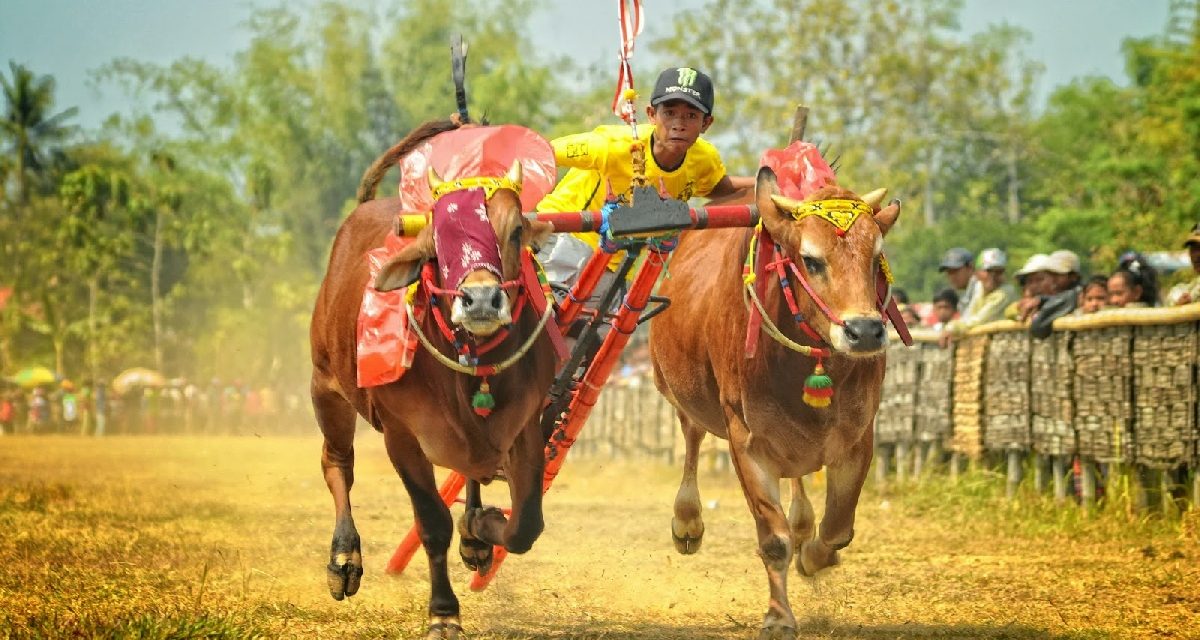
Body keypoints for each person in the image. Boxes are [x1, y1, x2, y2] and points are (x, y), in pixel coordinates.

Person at [537, 67, 753, 297]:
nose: (678, 124)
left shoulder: (703, 160)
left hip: (616, 262)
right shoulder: (611, 145)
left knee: (594, 332)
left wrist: (773, 180)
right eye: (669, 113)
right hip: (564, 237)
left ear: (706, 123)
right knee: (545, 324)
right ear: (651, 114)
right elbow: (540, 152)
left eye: (691, 116)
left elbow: (720, 188)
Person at [939, 248, 1015, 347]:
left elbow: (979, 320)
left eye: (998, 272)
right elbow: (969, 316)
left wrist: (952, 327)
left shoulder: (1005, 293)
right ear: (978, 272)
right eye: (988, 271)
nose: (993, 277)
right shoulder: (979, 288)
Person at [1028, 250, 1084, 339]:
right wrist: (1041, 301)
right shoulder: (1066, 296)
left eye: (1057, 275)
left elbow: (1037, 328)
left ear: (1073, 277)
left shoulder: (1072, 296)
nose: (1052, 280)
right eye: (1050, 275)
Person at [937, 247, 978, 315]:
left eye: (955, 271)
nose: (952, 276)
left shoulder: (980, 289)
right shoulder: (966, 293)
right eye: (949, 272)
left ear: (970, 267)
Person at [1167, 222, 1200, 305]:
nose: (1197, 255)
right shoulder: (1186, 290)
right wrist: (1179, 306)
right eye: (1193, 249)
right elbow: (1172, 297)